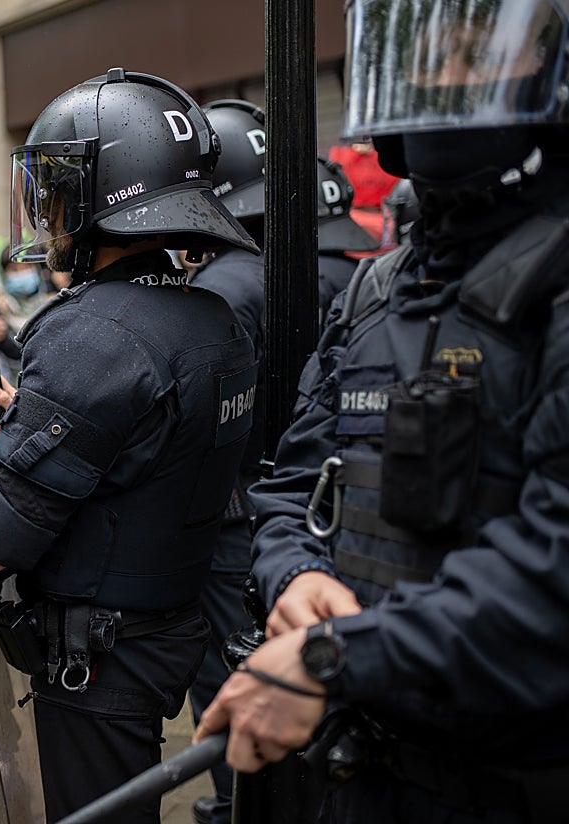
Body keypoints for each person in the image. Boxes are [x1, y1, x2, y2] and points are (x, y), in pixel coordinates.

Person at [194, 0, 569, 821]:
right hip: (359, 771)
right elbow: (289, 485)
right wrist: (294, 575)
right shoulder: (378, 287)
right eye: (425, 54)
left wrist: (331, 656)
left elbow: (555, 575)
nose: (442, 78)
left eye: (476, 53)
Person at [0, 67, 258, 823]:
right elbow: (139, 457)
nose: (49, 208)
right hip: (168, 627)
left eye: (61, 187)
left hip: (98, 659)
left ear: (110, 195)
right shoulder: (211, 314)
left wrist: (2, 465)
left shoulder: (90, 332)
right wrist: (33, 431)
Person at [186, 100, 377, 824]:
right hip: (309, 517)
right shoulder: (318, 266)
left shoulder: (228, 282)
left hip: (247, 521)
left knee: (237, 690)